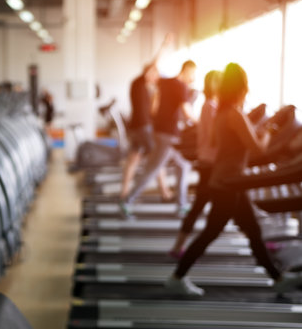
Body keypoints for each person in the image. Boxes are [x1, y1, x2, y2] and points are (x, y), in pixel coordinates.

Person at [165, 63, 302, 296]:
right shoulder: (234, 114)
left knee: (253, 231)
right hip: (228, 184)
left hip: (229, 182)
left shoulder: (223, 112)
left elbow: (238, 144)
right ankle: (177, 276)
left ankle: (277, 278)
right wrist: (271, 127)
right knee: (212, 233)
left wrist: (261, 128)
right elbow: (258, 150)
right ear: (241, 88)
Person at [120, 60, 197, 216]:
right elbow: (187, 113)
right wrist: (203, 123)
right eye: (194, 74)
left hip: (160, 132)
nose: (194, 78)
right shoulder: (181, 86)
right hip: (168, 136)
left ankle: (181, 205)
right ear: (188, 70)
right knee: (152, 169)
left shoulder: (166, 82)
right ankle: (127, 200)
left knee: (183, 165)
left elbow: (154, 108)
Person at [169, 70, 222, 258]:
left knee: (200, 207)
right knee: (200, 207)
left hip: (210, 163)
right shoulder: (212, 107)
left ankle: (178, 247)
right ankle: (180, 249)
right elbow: (216, 138)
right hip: (211, 164)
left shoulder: (210, 106)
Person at [120, 63, 173, 201]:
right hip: (143, 128)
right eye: (155, 74)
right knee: (157, 159)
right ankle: (165, 192)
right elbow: (153, 63)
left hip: (138, 128)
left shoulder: (147, 89)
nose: (157, 77)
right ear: (149, 73)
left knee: (133, 159)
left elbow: (153, 112)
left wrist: (156, 94)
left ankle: (124, 191)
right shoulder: (138, 83)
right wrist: (165, 45)